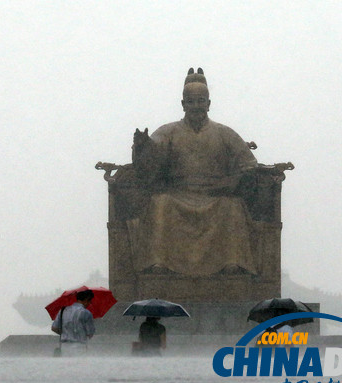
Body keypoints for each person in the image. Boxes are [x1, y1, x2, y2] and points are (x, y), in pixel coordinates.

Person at [128, 67, 258, 277]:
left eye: (200, 101)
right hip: (178, 194)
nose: (196, 106)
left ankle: (232, 265)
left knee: (232, 207)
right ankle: (158, 264)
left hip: (215, 195)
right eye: (191, 102)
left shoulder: (225, 133)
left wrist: (232, 181)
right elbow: (151, 159)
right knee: (160, 204)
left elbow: (249, 164)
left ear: (208, 103)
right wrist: (143, 147)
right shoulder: (168, 132)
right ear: (183, 104)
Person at [51, 289, 96, 356]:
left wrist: (66, 332)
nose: (89, 304)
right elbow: (90, 334)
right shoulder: (86, 313)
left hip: (64, 347)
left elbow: (54, 328)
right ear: (86, 300)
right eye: (90, 301)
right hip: (80, 348)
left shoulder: (63, 310)